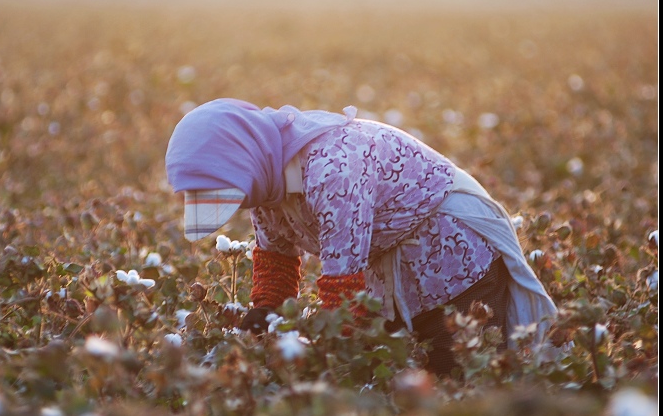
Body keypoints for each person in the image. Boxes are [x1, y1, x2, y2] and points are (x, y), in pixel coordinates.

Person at [165, 98, 561, 376]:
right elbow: (276, 260)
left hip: (454, 249)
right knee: (399, 373)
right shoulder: (265, 184)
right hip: (391, 264)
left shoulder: (332, 169)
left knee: (454, 371)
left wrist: (324, 362)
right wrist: (264, 316)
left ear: (242, 158)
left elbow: (344, 290)